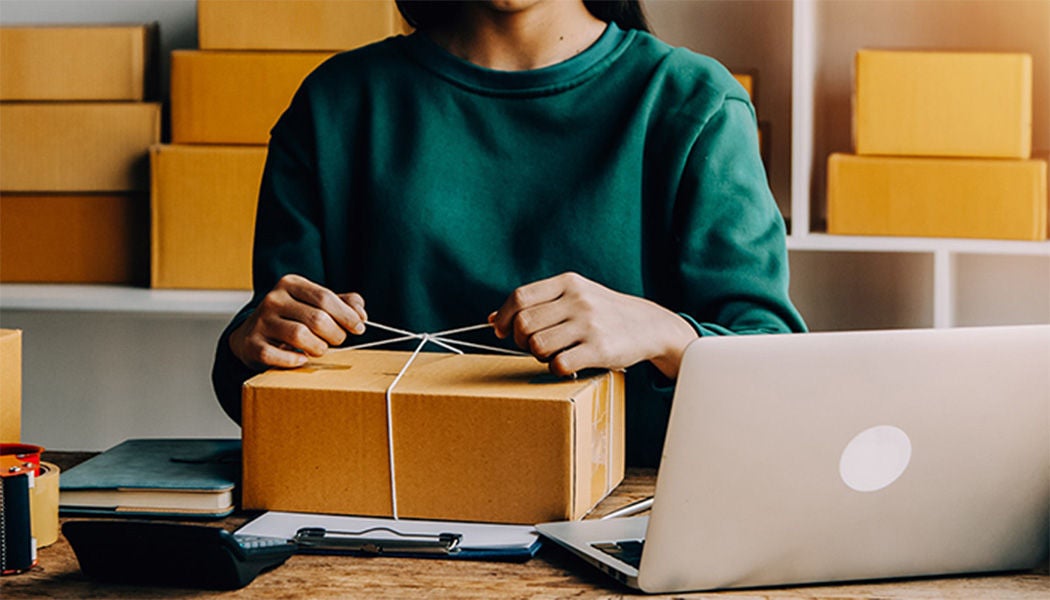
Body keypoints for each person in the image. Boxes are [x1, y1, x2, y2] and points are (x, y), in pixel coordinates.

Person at [212, 0, 807, 467]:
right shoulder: (337, 103)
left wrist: (662, 332)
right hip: (377, 511)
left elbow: (776, 376)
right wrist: (252, 342)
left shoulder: (693, 101)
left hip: (632, 518)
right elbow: (267, 377)